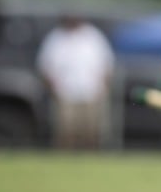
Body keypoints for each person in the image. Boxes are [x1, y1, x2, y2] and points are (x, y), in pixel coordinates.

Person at [36, 15, 115, 149]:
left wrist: (103, 87)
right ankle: (65, 160)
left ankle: (91, 160)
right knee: (66, 130)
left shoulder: (93, 36)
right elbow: (45, 67)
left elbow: (106, 64)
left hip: (91, 92)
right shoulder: (56, 38)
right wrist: (53, 90)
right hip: (65, 93)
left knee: (91, 130)